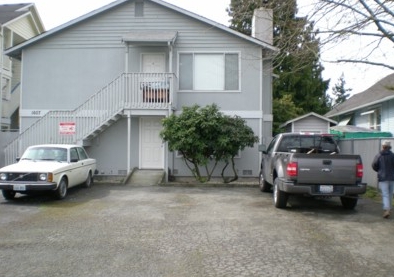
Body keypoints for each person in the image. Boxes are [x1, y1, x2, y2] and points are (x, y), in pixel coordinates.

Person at [372, 140, 394, 219]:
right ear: (389, 146)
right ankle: (389, 209)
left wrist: (379, 171)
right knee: (390, 194)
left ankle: (387, 209)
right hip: (392, 177)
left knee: (385, 194)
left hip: (383, 177)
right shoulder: (392, 155)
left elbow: (374, 165)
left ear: (383, 146)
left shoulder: (379, 155)